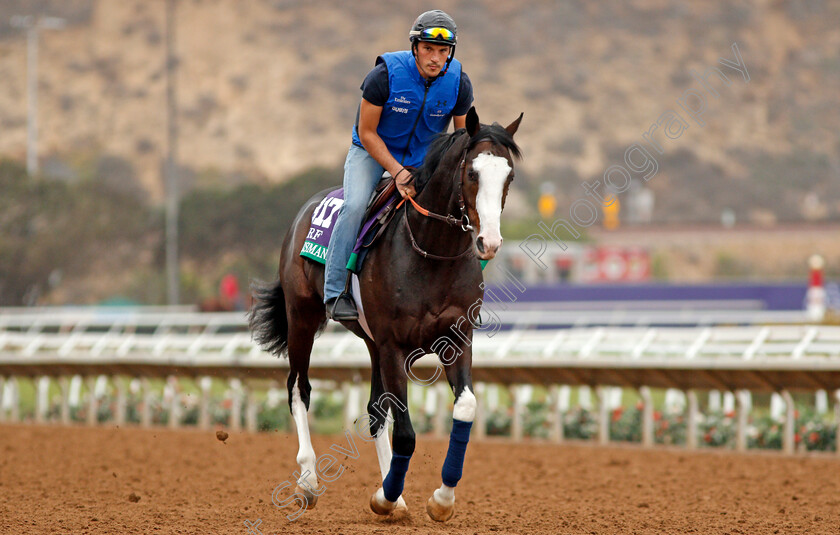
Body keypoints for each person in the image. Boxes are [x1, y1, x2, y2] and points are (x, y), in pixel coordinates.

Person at [323, 9, 474, 320]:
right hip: (372, 151)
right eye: (429, 49)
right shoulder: (383, 76)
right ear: (415, 47)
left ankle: (465, 294)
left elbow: (462, 137)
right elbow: (366, 132)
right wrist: (397, 171)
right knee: (353, 207)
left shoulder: (459, 83)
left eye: (443, 51)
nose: (436, 58)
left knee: (460, 207)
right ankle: (335, 292)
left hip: (424, 158)